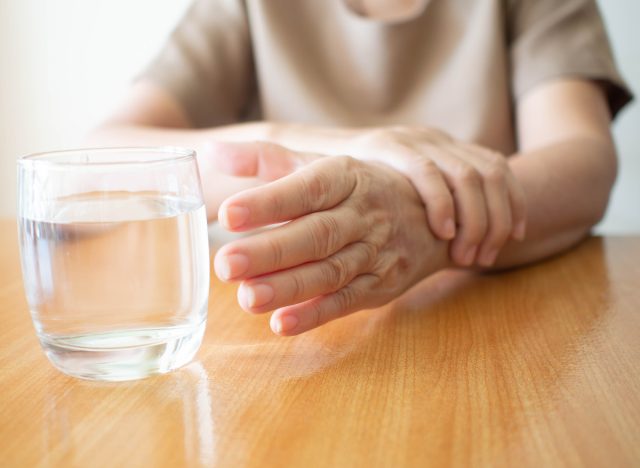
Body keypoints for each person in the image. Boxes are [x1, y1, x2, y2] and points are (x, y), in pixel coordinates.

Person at [88, 0, 632, 336]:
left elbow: (584, 162)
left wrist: (418, 229)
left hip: (500, 318)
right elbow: (104, 159)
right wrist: (349, 148)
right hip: (294, 330)